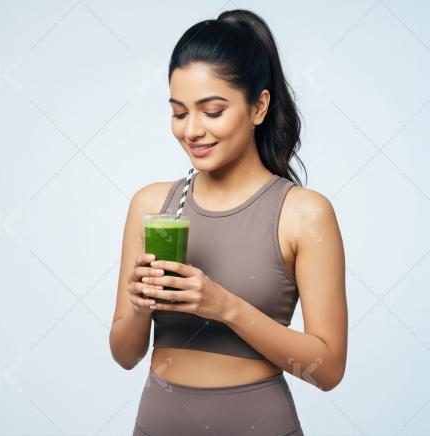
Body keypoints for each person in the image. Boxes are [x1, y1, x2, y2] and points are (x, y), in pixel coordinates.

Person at [108, 9, 348, 435]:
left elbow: (326, 370)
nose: (192, 131)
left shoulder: (303, 213)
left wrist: (224, 306)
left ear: (258, 107)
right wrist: (140, 304)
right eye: (179, 113)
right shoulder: (153, 206)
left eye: (212, 111)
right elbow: (125, 355)